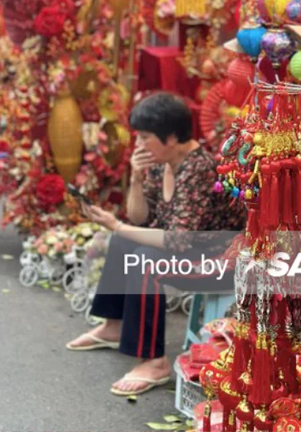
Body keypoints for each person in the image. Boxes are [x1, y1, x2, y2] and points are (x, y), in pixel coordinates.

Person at [66, 92, 244, 397]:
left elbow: (177, 240)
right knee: (123, 240)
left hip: (219, 260)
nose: (138, 146)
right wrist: (135, 179)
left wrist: (117, 224)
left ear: (172, 137)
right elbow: (138, 218)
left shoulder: (198, 168)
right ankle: (113, 325)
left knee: (147, 260)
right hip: (189, 249)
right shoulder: (163, 164)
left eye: (145, 138)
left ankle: (155, 361)